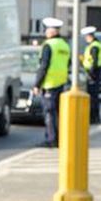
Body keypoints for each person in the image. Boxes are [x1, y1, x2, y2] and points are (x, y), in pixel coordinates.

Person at [35, 16, 71, 148]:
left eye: (46, 30)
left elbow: (43, 66)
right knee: (58, 113)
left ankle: (51, 139)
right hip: (61, 83)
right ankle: (60, 138)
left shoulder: (48, 45)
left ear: (51, 31)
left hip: (49, 84)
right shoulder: (64, 45)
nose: (45, 32)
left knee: (49, 113)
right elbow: (68, 64)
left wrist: (37, 84)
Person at [80, 26, 101, 124]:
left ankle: (94, 117)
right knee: (93, 96)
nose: (85, 38)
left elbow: (94, 61)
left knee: (93, 97)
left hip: (93, 73)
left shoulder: (94, 46)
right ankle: (95, 117)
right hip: (93, 72)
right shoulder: (95, 45)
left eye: (86, 36)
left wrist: (91, 74)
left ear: (89, 36)